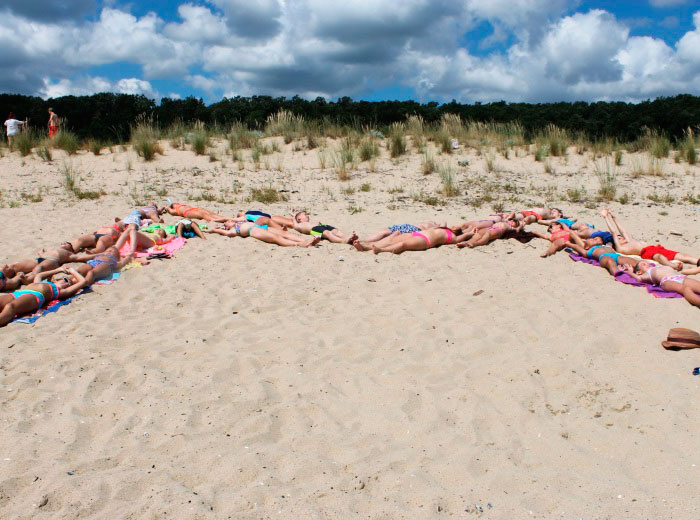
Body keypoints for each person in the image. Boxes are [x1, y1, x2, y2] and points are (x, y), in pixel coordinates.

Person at [601, 209, 700, 267]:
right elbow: (614, 232)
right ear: (616, 242)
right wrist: (605, 217)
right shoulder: (621, 248)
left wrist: (613, 217)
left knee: (682, 255)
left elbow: (623, 231)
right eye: (619, 239)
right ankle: (673, 266)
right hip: (647, 252)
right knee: (658, 257)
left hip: (655, 248)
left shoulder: (629, 241)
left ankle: (697, 261)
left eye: (620, 237)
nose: (621, 237)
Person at [0, 266, 89, 327]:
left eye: (69, 284)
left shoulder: (59, 291)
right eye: (66, 280)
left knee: (10, 307)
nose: (67, 283)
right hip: (19, 293)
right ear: (55, 280)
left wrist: (73, 271)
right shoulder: (44, 282)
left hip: (34, 297)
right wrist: (59, 269)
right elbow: (39, 275)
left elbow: (83, 282)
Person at [621, 262, 700, 309]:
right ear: (639, 272)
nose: (647, 264)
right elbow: (639, 279)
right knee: (685, 289)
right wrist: (630, 272)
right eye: (643, 264)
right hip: (666, 281)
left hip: (679, 277)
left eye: (646, 262)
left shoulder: (657, 266)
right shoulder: (647, 274)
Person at [206, 221, 320, 247]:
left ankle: (303, 240)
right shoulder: (232, 230)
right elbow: (224, 232)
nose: (228, 221)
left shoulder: (238, 222)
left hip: (261, 227)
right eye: (226, 223)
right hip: (254, 231)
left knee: (284, 233)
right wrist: (213, 229)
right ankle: (301, 244)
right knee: (276, 238)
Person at [5, 242, 96, 275]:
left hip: (52, 261)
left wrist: (102, 254)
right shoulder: (52, 249)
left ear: (70, 248)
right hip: (39, 259)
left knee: (38, 269)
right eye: (63, 242)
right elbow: (41, 253)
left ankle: (33, 283)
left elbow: (82, 257)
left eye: (67, 243)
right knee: (13, 267)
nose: (64, 242)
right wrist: (41, 253)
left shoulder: (69, 254)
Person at [566, 236, 639, 276]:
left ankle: (640, 269)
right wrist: (569, 244)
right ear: (587, 247)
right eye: (590, 240)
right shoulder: (589, 251)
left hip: (616, 256)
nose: (592, 239)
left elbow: (611, 242)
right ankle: (617, 272)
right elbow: (577, 247)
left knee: (633, 261)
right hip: (603, 257)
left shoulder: (605, 246)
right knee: (610, 262)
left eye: (593, 239)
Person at [368, 227, 465, 254]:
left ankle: (380, 250)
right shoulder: (444, 228)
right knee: (392, 240)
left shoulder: (453, 237)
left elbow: (465, 235)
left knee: (403, 245)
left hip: (425, 240)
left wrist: (471, 232)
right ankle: (365, 247)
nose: (456, 226)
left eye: (458, 228)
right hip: (418, 233)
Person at [68, 247, 133, 284]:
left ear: (116, 257)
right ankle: (67, 280)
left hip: (106, 264)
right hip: (93, 262)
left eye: (112, 251)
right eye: (107, 250)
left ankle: (83, 283)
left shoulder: (114, 261)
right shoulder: (99, 255)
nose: (109, 251)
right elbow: (87, 257)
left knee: (92, 273)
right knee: (79, 271)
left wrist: (128, 257)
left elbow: (122, 263)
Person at [358, 221, 446, 246]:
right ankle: (363, 240)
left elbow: (444, 223)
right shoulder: (435, 225)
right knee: (384, 232)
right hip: (408, 226)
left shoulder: (440, 229)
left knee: (389, 236)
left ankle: (368, 243)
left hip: (415, 230)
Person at [458, 218, 525, 248]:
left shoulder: (511, 228)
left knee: (488, 235)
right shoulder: (505, 221)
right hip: (491, 227)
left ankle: (475, 244)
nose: (513, 221)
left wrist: (521, 225)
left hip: (500, 230)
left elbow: (518, 229)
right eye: (513, 220)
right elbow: (507, 216)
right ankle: (467, 242)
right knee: (480, 233)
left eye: (515, 222)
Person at [165, 202, 231, 222]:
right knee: (203, 215)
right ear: (173, 206)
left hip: (193, 209)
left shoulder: (182, 205)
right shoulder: (175, 210)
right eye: (175, 204)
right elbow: (170, 211)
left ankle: (225, 218)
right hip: (187, 212)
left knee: (210, 213)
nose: (177, 204)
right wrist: (167, 208)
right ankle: (216, 220)